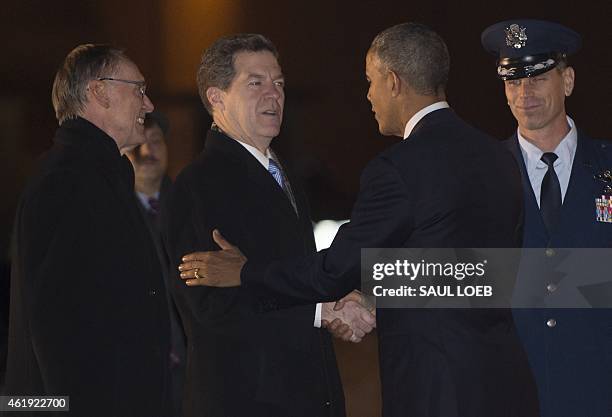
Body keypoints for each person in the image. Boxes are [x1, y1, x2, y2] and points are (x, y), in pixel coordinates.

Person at [177, 23, 539, 417]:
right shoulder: (501, 158)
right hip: (504, 379)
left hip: (436, 387)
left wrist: (247, 273)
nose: (368, 95)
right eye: (257, 83)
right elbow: (481, 273)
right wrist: (366, 297)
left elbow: (334, 270)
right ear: (216, 97)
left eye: (370, 81)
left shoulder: (398, 168)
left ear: (393, 81)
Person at [162, 33, 375, 417]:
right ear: (216, 97)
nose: (273, 94)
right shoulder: (197, 187)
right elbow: (210, 309)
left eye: (278, 83)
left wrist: (340, 299)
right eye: (255, 82)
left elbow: (293, 275)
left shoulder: (284, 173)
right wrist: (319, 313)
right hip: (247, 401)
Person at [4, 44, 171, 416]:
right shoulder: (68, 181)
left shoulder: (98, 177)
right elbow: (53, 326)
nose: (148, 105)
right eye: (138, 90)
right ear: (99, 92)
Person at [482, 19, 612, 417]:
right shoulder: (479, 176)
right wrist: (370, 285)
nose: (524, 93)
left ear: (567, 80)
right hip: (510, 397)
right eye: (512, 81)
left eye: (537, 78)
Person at [126, 110, 186, 417]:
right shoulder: (110, 219)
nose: (148, 150)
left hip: (194, 370)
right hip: (135, 373)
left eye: (156, 140)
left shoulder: (192, 208)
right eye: (140, 143)